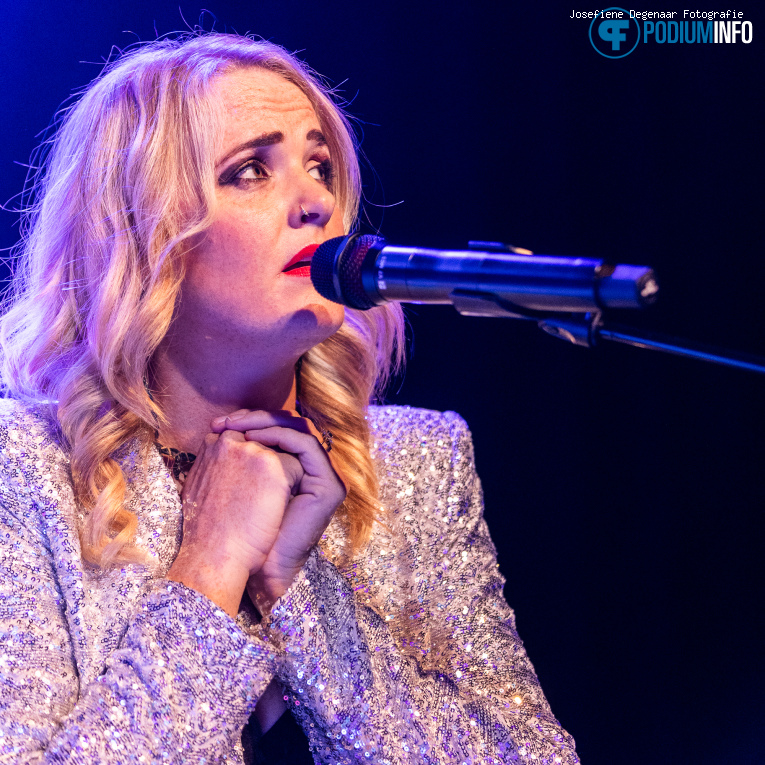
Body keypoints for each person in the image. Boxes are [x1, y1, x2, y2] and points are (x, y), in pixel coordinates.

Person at [0, 33, 579, 764]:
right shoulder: (24, 468)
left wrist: (296, 587)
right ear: (143, 233)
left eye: (321, 166)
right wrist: (211, 566)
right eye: (250, 171)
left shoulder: (416, 462)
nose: (314, 201)